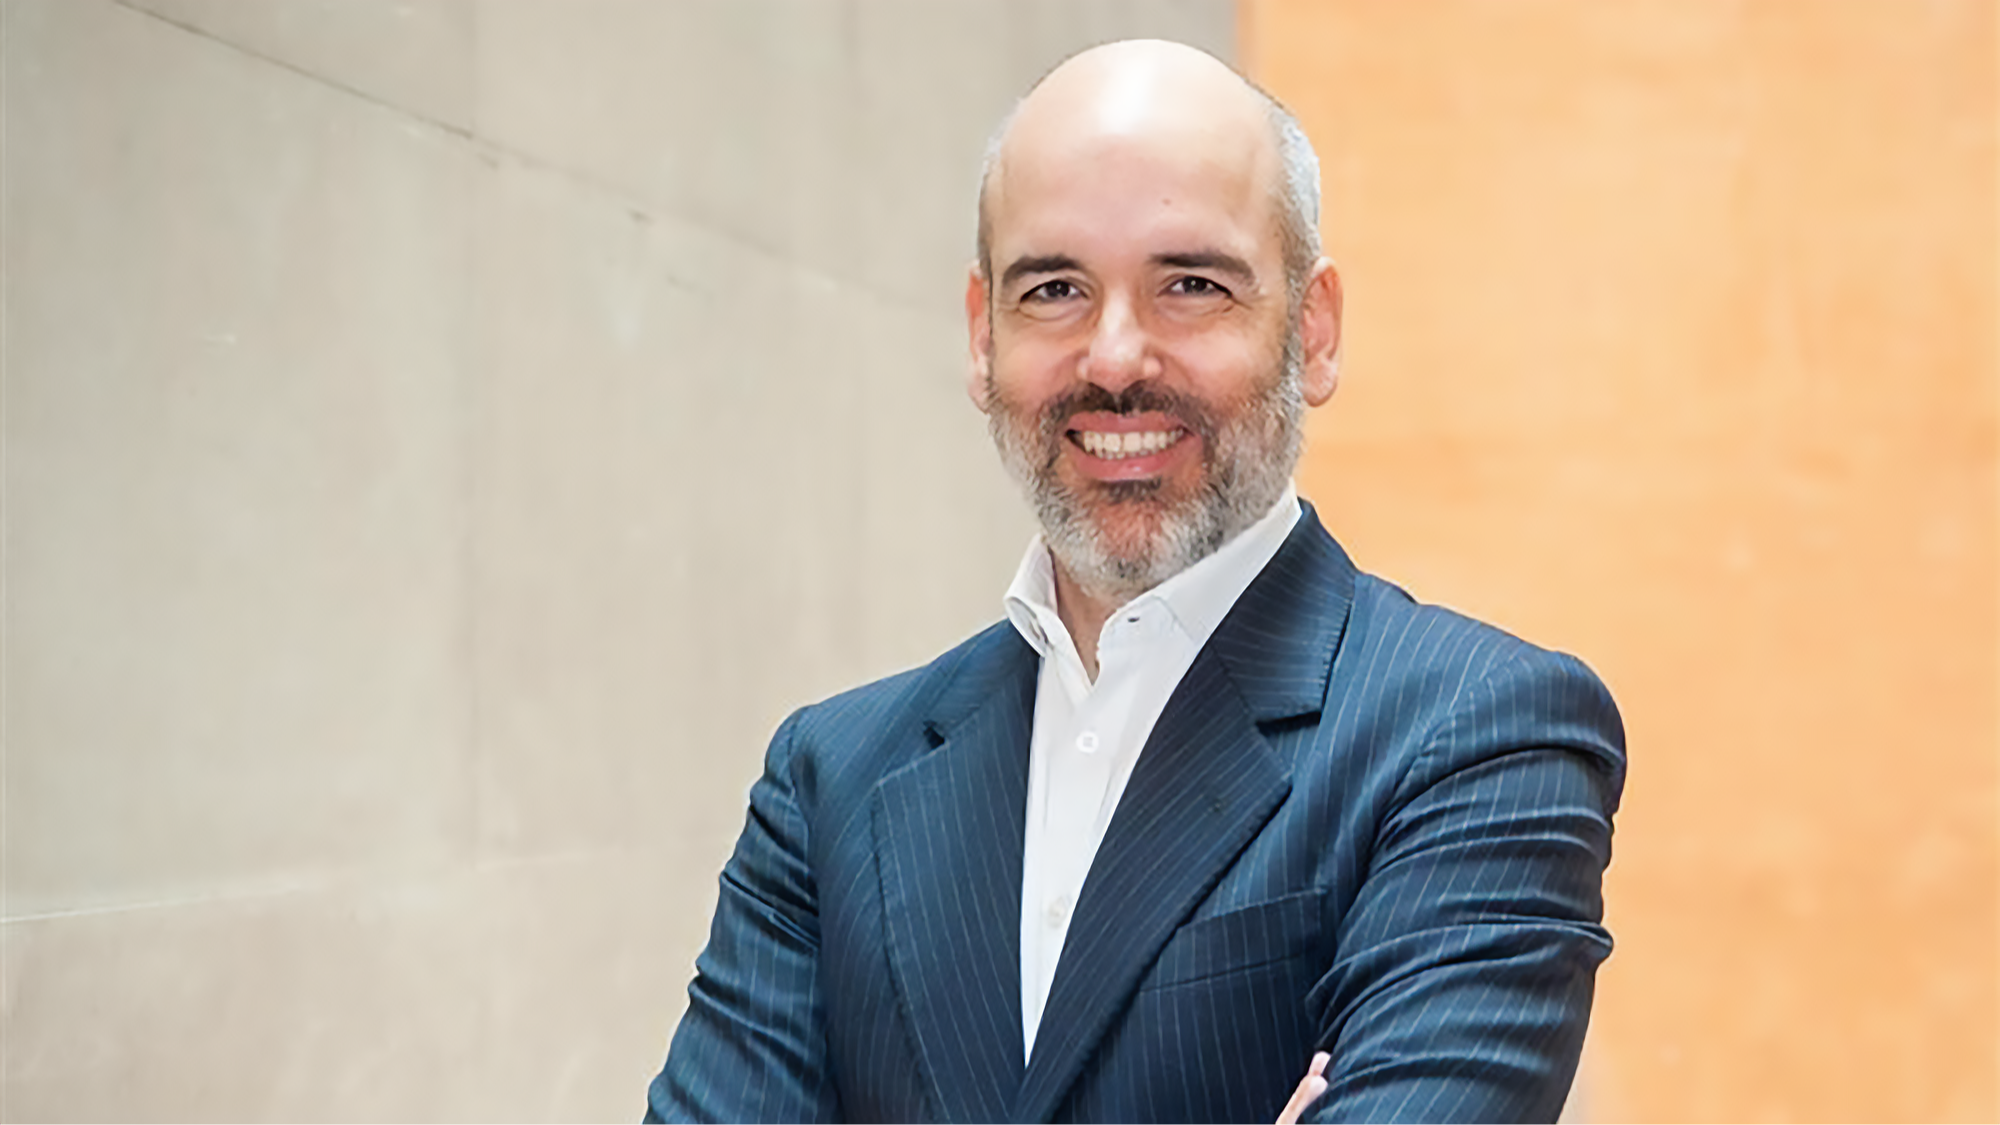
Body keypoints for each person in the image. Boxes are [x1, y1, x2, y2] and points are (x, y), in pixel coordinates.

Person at [645, 39, 1624, 1125]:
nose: (1114, 359)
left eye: (1191, 285)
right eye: (1054, 288)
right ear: (982, 337)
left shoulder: (1480, 738)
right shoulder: (830, 780)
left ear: (1312, 331)